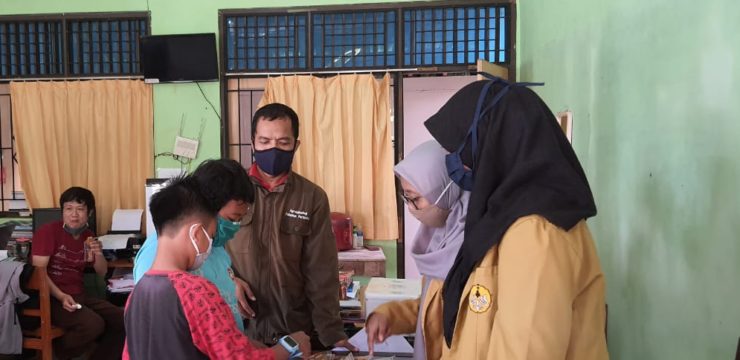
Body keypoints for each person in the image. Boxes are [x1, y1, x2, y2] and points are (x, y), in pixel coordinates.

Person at [423, 79, 609, 358]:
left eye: (461, 149)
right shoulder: (499, 219)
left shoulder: (537, 233)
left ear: (494, 142)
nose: (455, 161)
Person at [124, 174, 310, 359]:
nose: (210, 245)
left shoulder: (136, 294)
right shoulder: (195, 291)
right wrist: (289, 346)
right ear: (196, 234)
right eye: (211, 235)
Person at [226, 103, 354, 350]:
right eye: (264, 141)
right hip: (239, 332)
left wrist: (333, 334)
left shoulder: (312, 197)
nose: (272, 149)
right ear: (252, 143)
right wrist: (229, 279)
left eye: (283, 143)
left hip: (293, 335)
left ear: (296, 145)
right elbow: (205, 251)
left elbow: (321, 271)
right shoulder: (230, 191)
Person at [365, 140, 468, 359]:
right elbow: (431, 308)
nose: (410, 208)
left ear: (444, 187)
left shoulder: (473, 246)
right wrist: (387, 315)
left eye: (415, 198)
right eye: (406, 198)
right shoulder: (442, 236)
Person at [133, 159, 255, 332]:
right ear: (207, 208)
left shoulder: (215, 247)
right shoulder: (158, 253)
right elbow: (156, 329)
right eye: (232, 219)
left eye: (240, 220)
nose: (235, 227)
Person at [31, 187, 124, 360]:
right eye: (69, 209)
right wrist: (60, 296)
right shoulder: (47, 232)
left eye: (80, 209)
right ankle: (52, 354)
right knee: (93, 325)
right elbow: (39, 273)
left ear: (88, 213)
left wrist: (98, 253)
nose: (74, 214)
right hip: (51, 298)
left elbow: (101, 271)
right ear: (62, 211)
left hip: (79, 296)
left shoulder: (88, 236)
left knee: (123, 319)